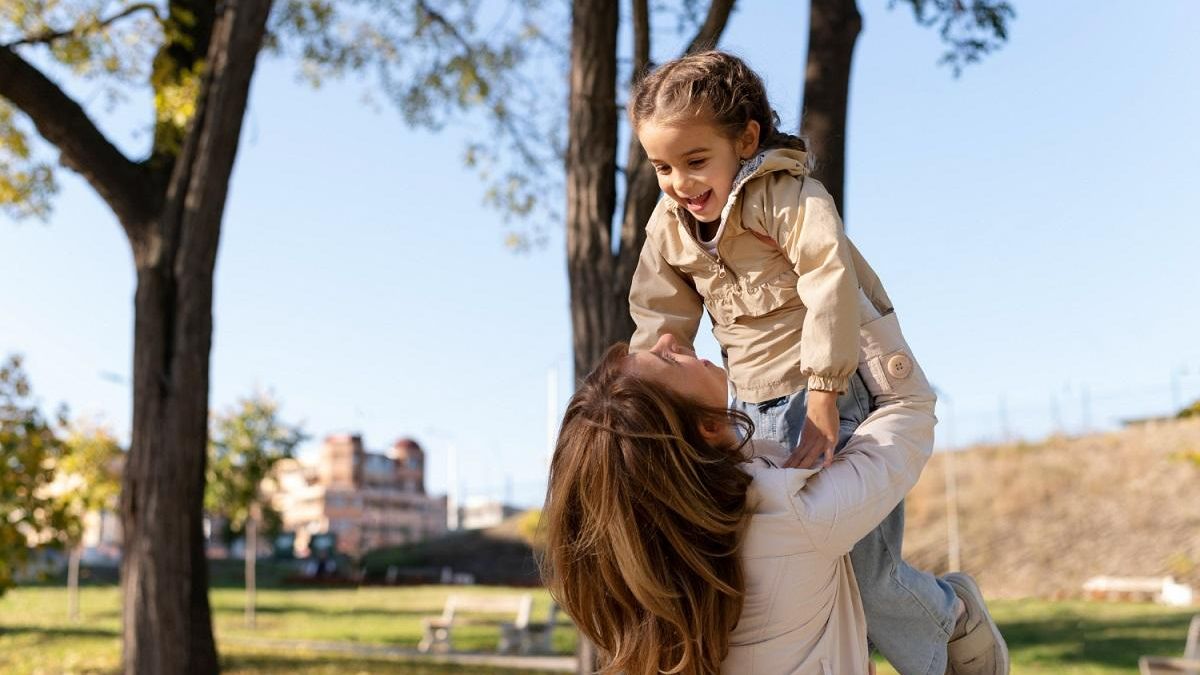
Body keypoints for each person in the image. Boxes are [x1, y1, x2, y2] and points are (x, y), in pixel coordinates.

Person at [624, 50, 1006, 674]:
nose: (680, 184)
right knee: (775, 574)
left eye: (695, 162)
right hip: (748, 408)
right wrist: (654, 391)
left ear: (745, 139)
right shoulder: (670, 225)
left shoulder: (786, 197)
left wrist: (826, 395)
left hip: (830, 396)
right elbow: (657, 316)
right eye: (662, 167)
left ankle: (950, 618)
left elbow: (830, 282)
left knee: (864, 576)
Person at [543, 309, 999, 674]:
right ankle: (956, 621)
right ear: (705, 429)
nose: (665, 340)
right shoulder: (795, 513)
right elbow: (908, 407)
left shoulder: (644, 585)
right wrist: (839, 287)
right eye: (665, 359)